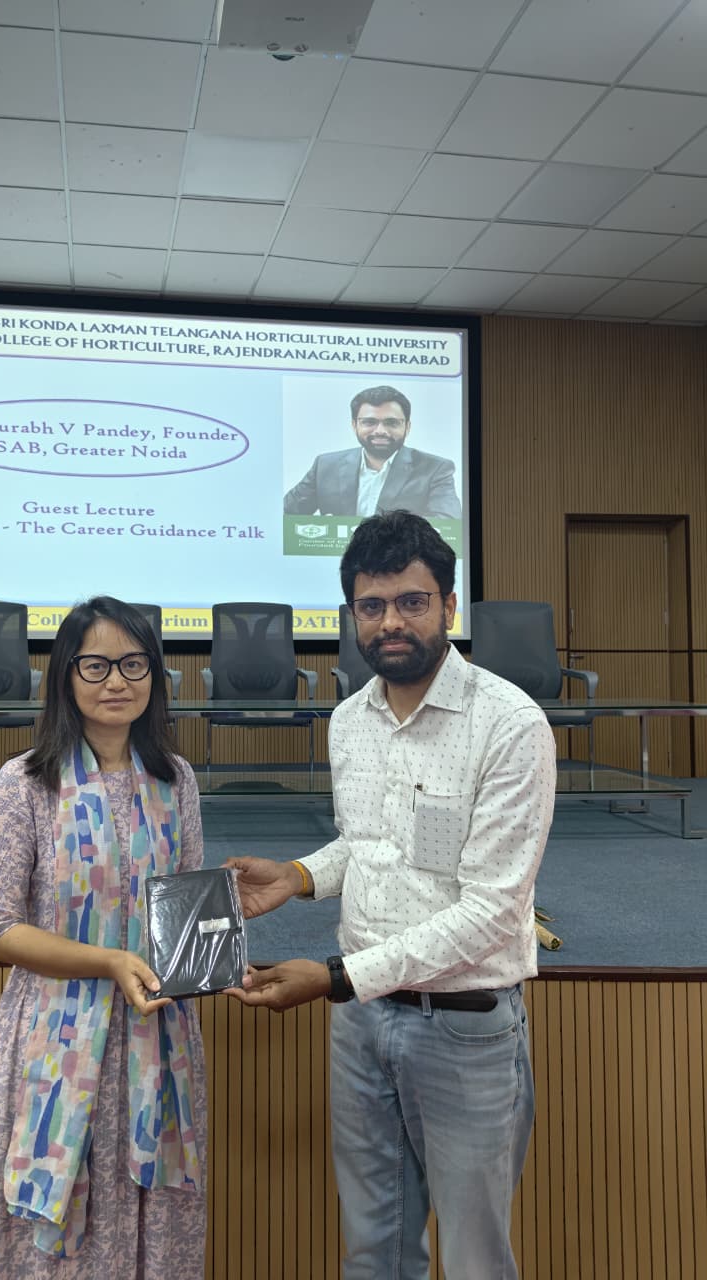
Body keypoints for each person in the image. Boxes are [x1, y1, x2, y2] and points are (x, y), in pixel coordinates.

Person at [226, 511, 556, 1280]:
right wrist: (298, 876)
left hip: (463, 1028)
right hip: (363, 1026)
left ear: (449, 604)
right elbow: (371, 844)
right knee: (373, 1251)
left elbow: (491, 913)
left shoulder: (509, 726)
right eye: (372, 606)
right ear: (352, 615)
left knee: (474, 1260)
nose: (391, 623)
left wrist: (337, 977)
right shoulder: (351, 720)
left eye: (412, 601)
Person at [0, 596, 206, 1280]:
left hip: (154, 1035)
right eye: (95, 665)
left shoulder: (176, 780)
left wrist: (216, 947)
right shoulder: (25, 783)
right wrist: (108, 961)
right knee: (54, 1239)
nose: (117, 681)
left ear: (155, 674)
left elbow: (182, 912)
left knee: (157, 1222)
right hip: (57, 1036)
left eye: (134, 664)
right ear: (65, 676)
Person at [283, 384, 462, 519]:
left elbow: (447, 523)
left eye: (391, 423)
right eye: (369, 422)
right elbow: (285, 513)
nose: (380, 431)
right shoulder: (325, 466)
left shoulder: (435, 469)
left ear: (407, 427)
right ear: (354, 425)